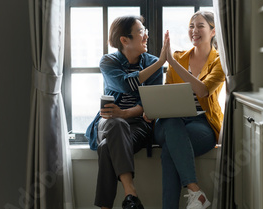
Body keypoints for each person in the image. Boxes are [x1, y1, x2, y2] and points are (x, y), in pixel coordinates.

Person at [84, 15, 167, 209]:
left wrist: (124, 114)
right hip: (108, 122)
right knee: (115, 124)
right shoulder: (108, 62)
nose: (146, 36)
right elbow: (125, 84)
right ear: (124, 39)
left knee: (106, 147)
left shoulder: (152, 62)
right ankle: (131, 192)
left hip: (138, 125)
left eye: (145, 31)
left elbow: (150, 104)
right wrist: (161, 62)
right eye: (141, 32)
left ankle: (110, 206)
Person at [152, 11, 225, 209]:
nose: (194, 30)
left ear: (213, 31)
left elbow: (202, 90)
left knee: (170, 150)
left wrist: (172, 63)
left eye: (200, 26)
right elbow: (167, 96)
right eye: (191, 26)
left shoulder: (219, 62)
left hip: (201, 124)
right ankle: (194, 190)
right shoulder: (178, 57)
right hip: (169, 122)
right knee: (172, 121)